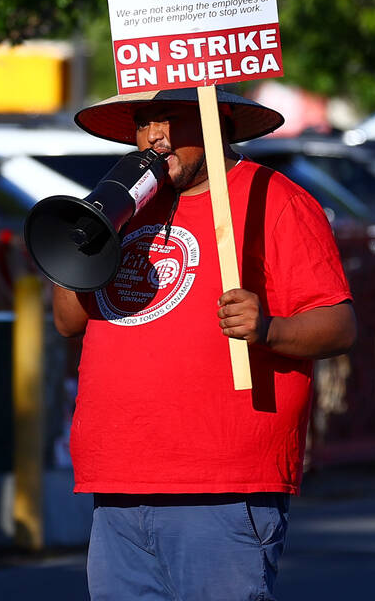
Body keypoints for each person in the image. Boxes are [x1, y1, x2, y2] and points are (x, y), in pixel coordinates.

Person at [50, 87, 356, 601]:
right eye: (145, 122)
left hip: (222, 484)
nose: (154, 137)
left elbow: (339, 325)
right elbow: (67, 321)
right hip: (119, 480)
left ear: (218, 122)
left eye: (169, 119)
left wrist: (270, 329)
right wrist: (80, 234)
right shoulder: (126, 206)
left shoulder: (274, 199)